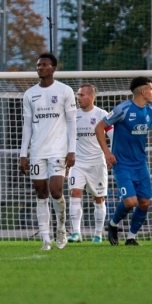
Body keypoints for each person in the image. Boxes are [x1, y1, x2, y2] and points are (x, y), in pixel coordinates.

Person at [95, 76, 152, 246]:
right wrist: (106, 152)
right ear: (143, 91)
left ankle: (131, 237)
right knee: (130, 202)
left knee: (144, 202)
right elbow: (99, 127)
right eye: (151, 89)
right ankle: (112, 225)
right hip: (122, 164)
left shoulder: (151, 111)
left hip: (140, 164)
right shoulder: (123, 109)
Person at [19, 53, 77, 251]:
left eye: (44, 65)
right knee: (41, 193)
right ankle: (45, 239)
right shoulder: (29, 94)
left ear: (53, 68)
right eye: (38, 65)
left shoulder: (64, 91)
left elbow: (71, 123)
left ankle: (61, 228)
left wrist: (72, 150)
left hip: (59, 150)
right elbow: (26, 126)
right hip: (37, 151)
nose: (40, 68)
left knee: (56, 190)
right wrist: (23, 154)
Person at [67, 84, 113, 244]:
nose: (78, 98)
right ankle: (76, 233)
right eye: (77, 95)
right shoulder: (73, 115)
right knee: (75, 193)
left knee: (99, 199)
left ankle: (98, 235)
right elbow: (68, 138)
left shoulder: (102, 115)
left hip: (97, 163)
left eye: (81, 95)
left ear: (91, 97)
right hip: (78, 162)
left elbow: (113, 136)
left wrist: (110, 155)